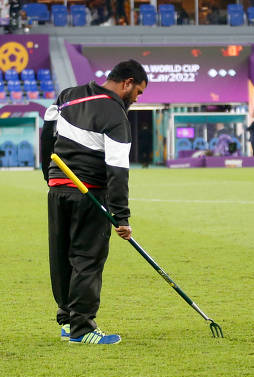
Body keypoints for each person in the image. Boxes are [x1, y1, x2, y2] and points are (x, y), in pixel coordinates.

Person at [40, 59, 148, 345]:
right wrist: (121, 217)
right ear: (127, 83)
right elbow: (117, 170)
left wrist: (49, 175)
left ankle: (68, 321)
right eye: (138, 92)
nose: (136, 100)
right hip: (89, 193)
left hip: (58, 188)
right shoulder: (116, 115)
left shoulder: (68, 95)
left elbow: (47, 133)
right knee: (87, 259)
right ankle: (83, 328)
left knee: (62, 256)